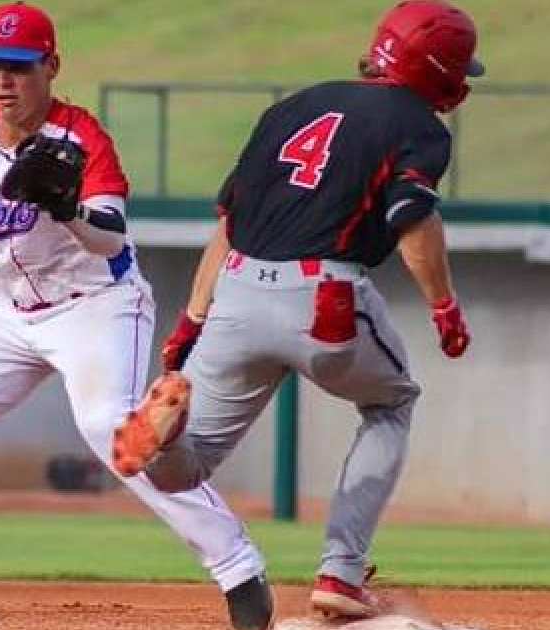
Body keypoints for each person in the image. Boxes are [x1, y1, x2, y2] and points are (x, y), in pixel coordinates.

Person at [0, 3, 272, 630]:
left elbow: (112, 237)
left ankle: (238, 567)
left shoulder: (82, 138)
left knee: (110, 429)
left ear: (52, 66)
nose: (5, 79)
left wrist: (67, 211)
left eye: (21, 67)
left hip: (95, 305)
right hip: (5, 311)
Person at [113, 0, 480, 621]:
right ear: (439, 68)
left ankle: (167, 433)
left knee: (183, 471)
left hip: (236, 294)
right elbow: (413, 217)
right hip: (324, 297)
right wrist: (443, 306)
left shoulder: (291, 108)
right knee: (392, 402)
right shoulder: (419, 125)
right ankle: (340, 569)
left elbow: (229, 222)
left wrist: (192, 320)